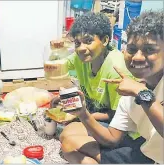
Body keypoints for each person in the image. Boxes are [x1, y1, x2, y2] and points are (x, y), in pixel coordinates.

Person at [61, 11, 164, 164]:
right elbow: (112, 139)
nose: (137, 57)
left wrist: (141, 92)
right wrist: (82, 112)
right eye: (132, 49)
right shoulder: (129, 91)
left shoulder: (134, 87)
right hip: (148, 156)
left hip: (143, 150)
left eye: (149, 49)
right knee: (69, 146)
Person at [58, 12, 133, 141]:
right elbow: (59, 65)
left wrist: (81, 115)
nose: (81, 48)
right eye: (77, 43)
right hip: (91, 113)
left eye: (88, 41)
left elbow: (117, 116)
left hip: (117, 127)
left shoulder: (115, 68)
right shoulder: (81, 57)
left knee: (68, 136)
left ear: (104, 40)